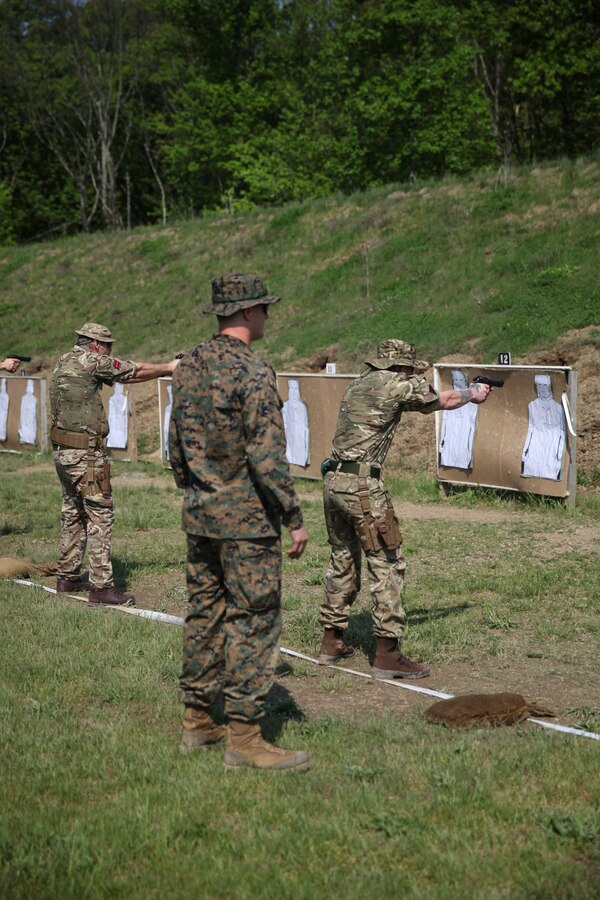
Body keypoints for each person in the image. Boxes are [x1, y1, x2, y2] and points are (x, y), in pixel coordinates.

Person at [169, 273, 310, 772]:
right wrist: (293, 515)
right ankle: (245, 738)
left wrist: (200, 490)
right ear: (249, 313)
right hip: (248, 523)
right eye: (265, 309)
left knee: (204, 615)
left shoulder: (188, 366)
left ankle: (198, 722)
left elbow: (175, 448)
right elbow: (267, 455)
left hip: (200, 514)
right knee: (253, 621)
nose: (268, 317)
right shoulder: (253, 370)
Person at [318, 339, 491, 679]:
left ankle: (330, 642)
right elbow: (446, 399)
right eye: (412, 367)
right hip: (363, 488)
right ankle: (387, 655)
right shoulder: (400, 383)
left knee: (342, 560)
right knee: (387, 565)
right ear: (403, 366)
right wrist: (473, 393)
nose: (414, 372)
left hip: (333, 482)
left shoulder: (359, 383)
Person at [50, 322, 179, 606]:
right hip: (86, 455)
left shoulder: (64, 360)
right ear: (96, 344)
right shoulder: (92, 361)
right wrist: (169, 367)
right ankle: (101, 587)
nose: (110, 351)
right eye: (108, 346)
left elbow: (125, 377)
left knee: (73, 512)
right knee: (100, 515)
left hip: (63, 451)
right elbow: (134, 369)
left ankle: (67, 577)